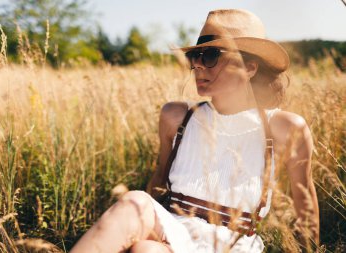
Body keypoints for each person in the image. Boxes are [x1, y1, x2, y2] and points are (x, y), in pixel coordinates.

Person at [70, 9, 319, 253]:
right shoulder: (177, 117)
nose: (199, 65)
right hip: (174, 228)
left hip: (233, 244)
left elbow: (305, 207)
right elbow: (158, 181)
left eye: (211, 55)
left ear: (250, 67)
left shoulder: (284, 127)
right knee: (143, 241)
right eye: (195, 56)